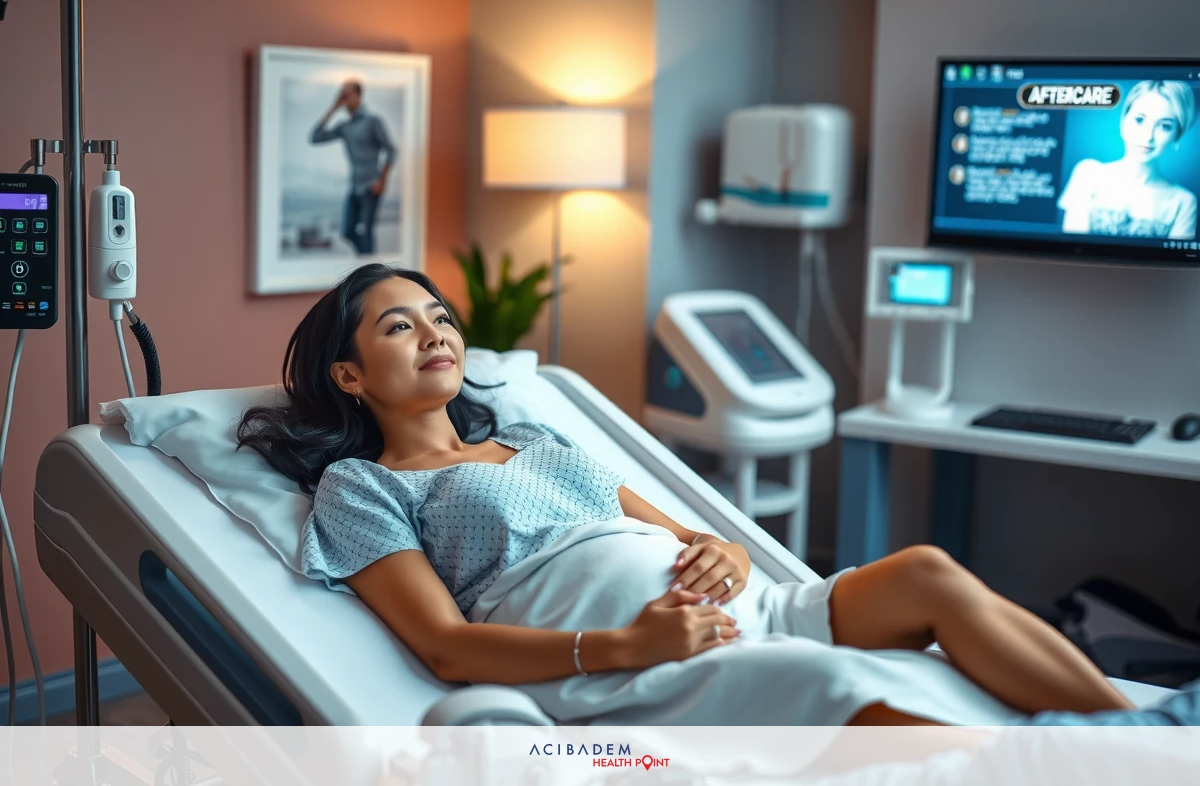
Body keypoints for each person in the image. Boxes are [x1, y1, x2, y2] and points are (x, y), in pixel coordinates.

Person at [236, 263, 1193, 726]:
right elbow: (445, 646)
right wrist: (627, 645)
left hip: (739, 611)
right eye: (399, 327)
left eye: (440, 316)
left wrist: (727, 551)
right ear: (349, 376)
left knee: (926, 573)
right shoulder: (363, 485)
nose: (436, 333)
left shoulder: (529, 435)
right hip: (627, 662)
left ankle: (1133, 734)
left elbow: (680, 532)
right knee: (840, 687)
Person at [1059, 79, 1198, 240]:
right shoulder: (1088, 174)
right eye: (1139, 120)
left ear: (1177, 136)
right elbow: (1074, 249)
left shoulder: (1183, 202)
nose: (1148, 136)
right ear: (1123, 122)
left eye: (1165, 126)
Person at [310, 79, 396, 255]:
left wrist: (382, 181)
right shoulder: (345, 126)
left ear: (358, 95)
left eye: (346, 94)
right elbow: (315, 138)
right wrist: (333, 108)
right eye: (341, 94)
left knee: (366, 231)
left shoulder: (373, 121)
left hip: (371, 185)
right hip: (355, 185)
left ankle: (369, 267)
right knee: (347, 231)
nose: (343, 97)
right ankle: (365, 261)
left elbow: (391, 150)